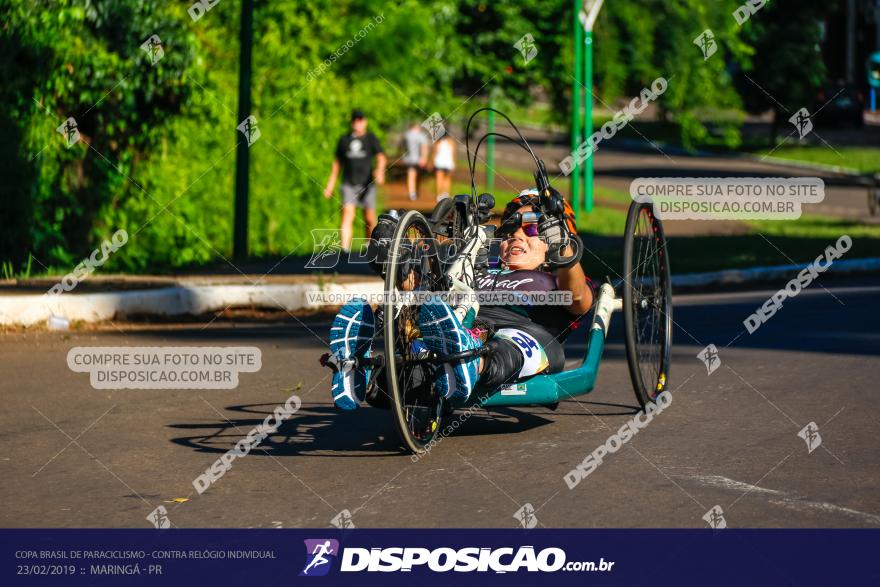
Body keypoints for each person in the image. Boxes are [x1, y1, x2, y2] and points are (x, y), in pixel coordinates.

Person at [326, 190, 595, 410]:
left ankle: (472, 362)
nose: (516, 234)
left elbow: (579, 298)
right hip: (454, 324)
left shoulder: (556, 280)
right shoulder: (475, 270)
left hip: (520, 332)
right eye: (510, 227)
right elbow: (419, 288)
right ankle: (360, 369)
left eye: (533, 228)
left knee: (518, 346)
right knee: (419, 358)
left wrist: (565, 253)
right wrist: (391, 258)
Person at [323, 109, 386, 250]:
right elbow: (337, 164)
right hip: (349, 184)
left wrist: (379, 171)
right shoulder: (344, 140)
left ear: (365, 122)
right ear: (352, 122)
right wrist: (330, 185)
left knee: (369, 218)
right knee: (347, 215)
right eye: (355, 120)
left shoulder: (371, 138)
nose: (358, 123)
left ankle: (370, 247)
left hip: (368, 184)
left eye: (360, 120)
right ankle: (345, 250)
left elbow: (381, 157)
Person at [402, 122, 429, 201]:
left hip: (409, 159)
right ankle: (416, 191)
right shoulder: (421, 135)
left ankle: (412, 193)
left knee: (410, 175)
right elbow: (424, 148)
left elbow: (403, 147)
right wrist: (424, 158)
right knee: (417, 176)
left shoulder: (406, 135)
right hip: (419, 159)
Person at [431, 131, 455, 201]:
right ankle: (446, 194)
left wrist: (432, 162)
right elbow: (453, 153)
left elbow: (434, 153)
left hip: (439, 163)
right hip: (448, 163)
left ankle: (438, 195)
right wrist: (453, 163)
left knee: (439, 179)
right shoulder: (451, 142)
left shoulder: (437, 142)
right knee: (447, 179)